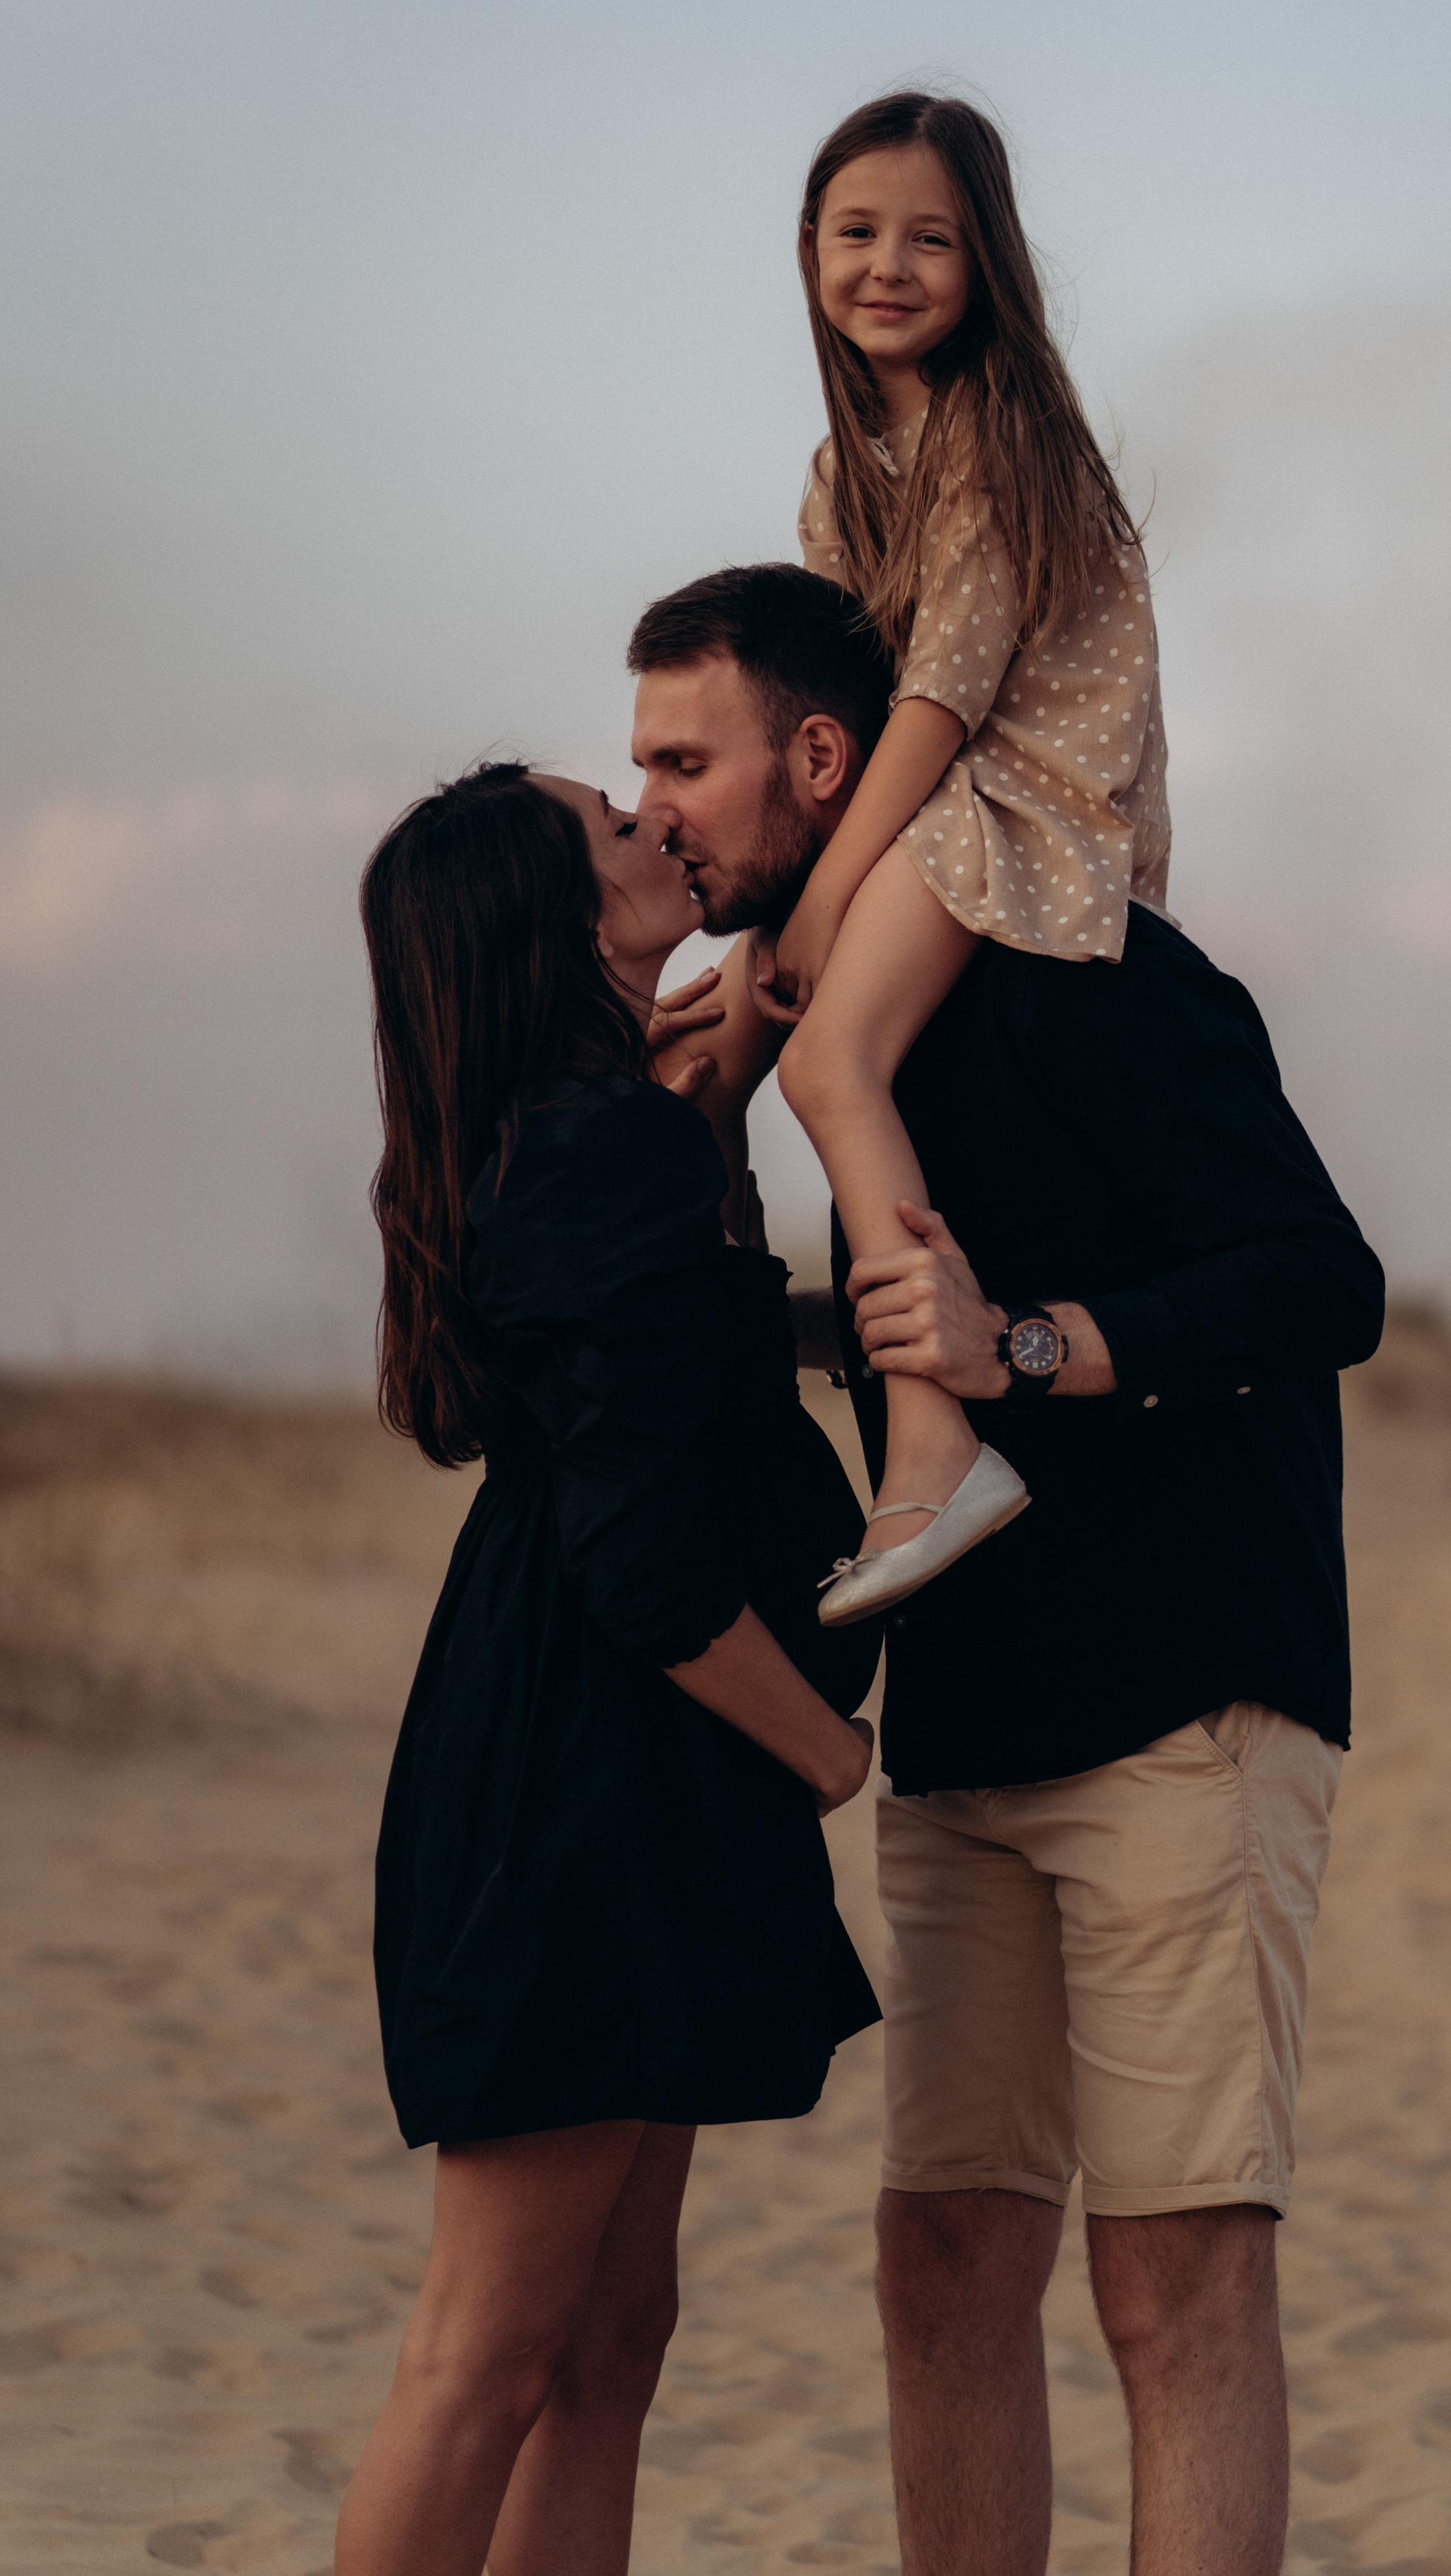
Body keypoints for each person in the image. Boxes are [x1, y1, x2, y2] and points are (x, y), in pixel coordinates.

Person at [628, 567, 1385, 2576]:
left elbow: (1323, 1282)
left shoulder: (1103, 974)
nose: (658, 806)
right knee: (944, 2260)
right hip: (960, 1714)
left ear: (818, 762)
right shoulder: (808, 1044)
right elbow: (865, 1324)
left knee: (1173, 2287)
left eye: (682, 761)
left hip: (1181, 1707)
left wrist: (1024, 1346)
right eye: (636, 769)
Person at [335, 763, 881, 2576]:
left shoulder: (586, 1129)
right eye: (606, 824)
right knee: (487, 2351)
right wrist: (825, 1754)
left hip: (610, 1772)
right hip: (582, 1780)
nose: (654, 824)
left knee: (606, 2345)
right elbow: (644, 1570)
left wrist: (713, 1074)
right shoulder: (596, 1152)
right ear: (553, 924)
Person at [739, 89, 1175, 1622]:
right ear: (808, 253)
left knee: (825, 1065)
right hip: (925, 793)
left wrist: (828, 893)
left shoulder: (995, 437)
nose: (888, 265)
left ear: (985, 261)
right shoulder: (842, 469)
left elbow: (935, 704)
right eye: (856, 233)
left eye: (930, 237)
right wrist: (777, 907)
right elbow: (835, 707)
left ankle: (932, 1434)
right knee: (758, 1008)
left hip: (1018, 795)